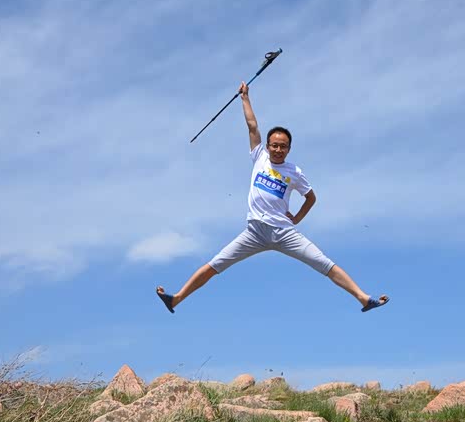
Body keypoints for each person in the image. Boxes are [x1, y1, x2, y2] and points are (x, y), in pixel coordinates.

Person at [156, 81, 389, 314]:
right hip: (255, 232)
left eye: (283, 146)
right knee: (216, 264)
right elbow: (252, 126)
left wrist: (296, 219)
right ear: (267, 146)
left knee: (323, 263)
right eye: (274, 146)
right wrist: (245, 98)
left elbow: (311, 198)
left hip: (284, 232)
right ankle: (176, 299)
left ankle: (363, 298)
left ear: (289, 149)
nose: (278, 150)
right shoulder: (259, 157)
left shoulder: (294, 172)